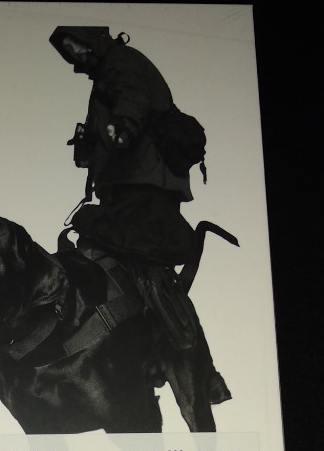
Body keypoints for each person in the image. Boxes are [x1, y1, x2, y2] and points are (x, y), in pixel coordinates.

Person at [49, 25, 231, 408]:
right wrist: (90, 145)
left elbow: (131, 97)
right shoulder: (108, 73)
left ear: (95, 42)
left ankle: (198, 368)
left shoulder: (122, 62)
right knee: (112, 260)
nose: (77, 57)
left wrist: (123, 127)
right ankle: (140, 347)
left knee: (142, 265)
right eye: (70, 53)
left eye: (79, 48)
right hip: (127, 182)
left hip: (145, 182)